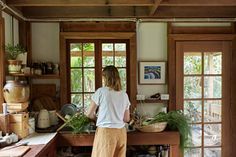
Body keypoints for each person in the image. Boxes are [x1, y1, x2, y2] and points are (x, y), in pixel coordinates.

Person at [86, 65, 130, 157]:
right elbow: (126, 119)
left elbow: (89, 114)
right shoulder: (124, 95)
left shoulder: (101, 92)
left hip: (106, 133)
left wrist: (96, 118)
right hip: (121, 133)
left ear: (106, 78)